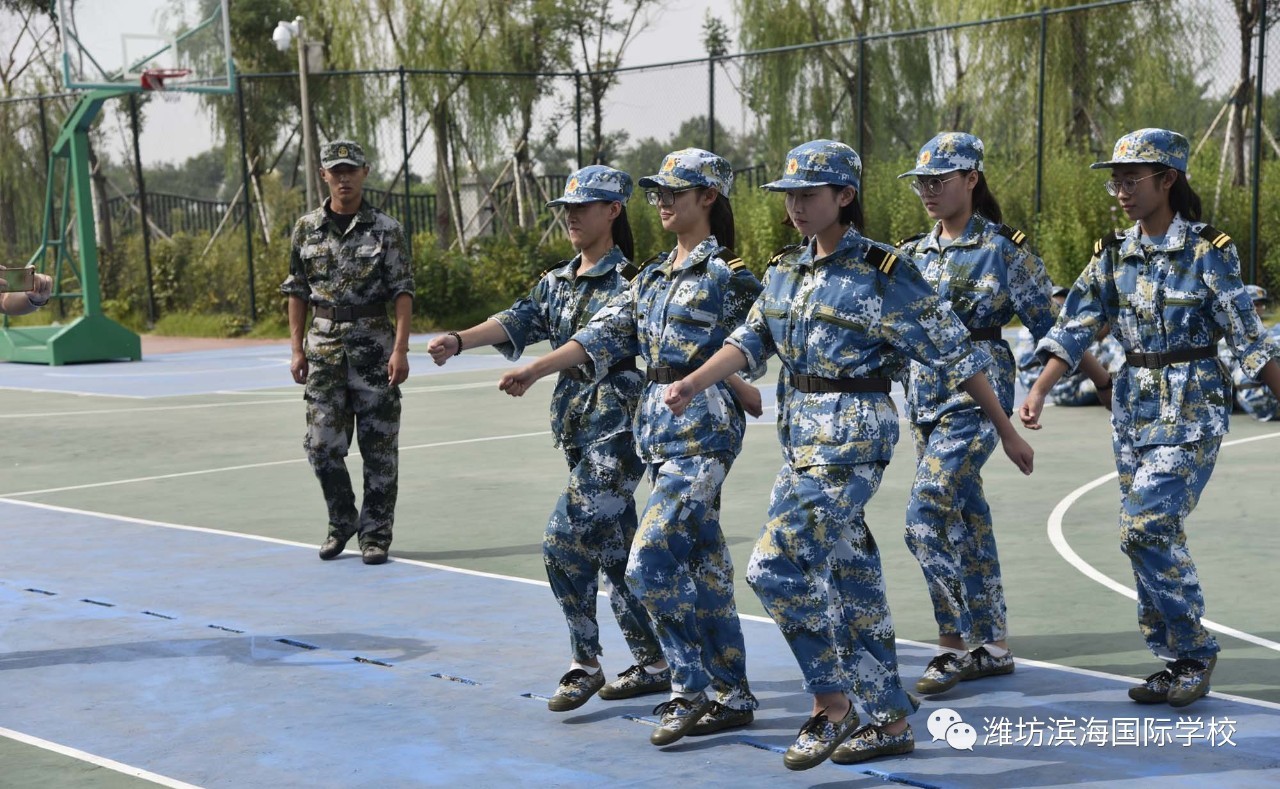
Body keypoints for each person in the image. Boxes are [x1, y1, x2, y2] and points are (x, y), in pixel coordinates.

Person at [664, 140, 1034, 770]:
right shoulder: (785, 270)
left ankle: (832, 705)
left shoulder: (882, 273)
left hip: (853, 435)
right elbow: (748, 339)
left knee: (773, 566)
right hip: (801, 440)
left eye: (810, 195)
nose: (798, 208)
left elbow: (956, 351)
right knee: (851, 576)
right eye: (790, 197)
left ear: (844, 196)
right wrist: (695, 382)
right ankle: (888, 719)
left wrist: (1005, 428)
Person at [496, 148, 762, 747]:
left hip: (705, 432)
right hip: (662, 433)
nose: (663, 201)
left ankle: (687, 687)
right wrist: (538, 367)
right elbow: (602, 335)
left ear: (708, 198)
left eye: (675, 191)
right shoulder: (652, 277)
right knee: (705, 564)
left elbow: (767, 337)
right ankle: (732, 693)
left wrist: (728, 381)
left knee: (647, 561)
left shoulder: (730, 275)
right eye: (658, 192)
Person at [1021, 128, 1280, 707]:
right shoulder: (1113, 254)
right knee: (1145, 537)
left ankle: (1195, 652)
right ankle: (1173, 659)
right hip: (1133, 409)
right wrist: (1040, 388)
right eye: (1115, 180)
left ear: (1168, 180)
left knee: (1145, 526)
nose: (1120, 190)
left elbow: (1249, 341)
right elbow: (1075, 326)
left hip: (1192, 409)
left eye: (1131, 178)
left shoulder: (1209, 253)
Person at [425, 165, 670, 713]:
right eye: (567, 206)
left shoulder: (633, 281)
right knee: (614, 551)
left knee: (564, 538)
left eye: (585, 206)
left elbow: (591, 340)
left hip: (620, 433)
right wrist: (458, 340)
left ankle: (585, 661)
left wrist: (535, 370)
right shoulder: (559, 280)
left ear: (613, 211)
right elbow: (519, 317)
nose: (572, 215)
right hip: (580, 433)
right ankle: (654, 662)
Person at [895, 132, 1110, 697]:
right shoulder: (914, 253)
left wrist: (1098, 377)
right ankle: (991, 644)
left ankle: (952, 642)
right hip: (925, 397)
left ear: (971, 179)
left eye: (939, 180)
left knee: (927, 510)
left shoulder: (1002, 249)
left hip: (978, 394)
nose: (929, 191)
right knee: (965, 514)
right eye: (922, 182)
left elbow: (1053, 324)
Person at [280, 140, 413, 566]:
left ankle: (375, 536)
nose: (343, 178)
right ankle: (343, 522)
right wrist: (296, 349)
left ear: (364, 173)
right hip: (323, 353)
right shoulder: (306, 229)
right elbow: (296, 290)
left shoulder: (387, 229)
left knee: (379, 451)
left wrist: (400, 350)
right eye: (336, 171)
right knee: (321, 446)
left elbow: (403, 292)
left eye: (350, 170)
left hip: (375, 351)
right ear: (324, 176)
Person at [1015, 285, 1124, 406]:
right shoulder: (1047, 328)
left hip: (1055, 387)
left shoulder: (1034, 328)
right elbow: (1079, 350)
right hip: (1065, 388)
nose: (1064, 308)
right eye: (1060, 303)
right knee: (1114, 349)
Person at [1217, 285, 1280, 421]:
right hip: (1243, 394)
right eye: (1254, 304)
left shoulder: (1267, 331)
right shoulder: (1231, 335)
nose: (1259, 308)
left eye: (1261, 304)